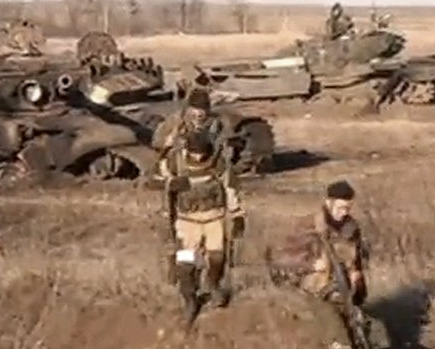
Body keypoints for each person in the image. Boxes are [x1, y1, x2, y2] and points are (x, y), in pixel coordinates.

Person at [265, 180, 384, 348]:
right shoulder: (308, 226)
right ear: (329, 202)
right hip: (313, 293)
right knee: (338, 335)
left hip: (343, 292)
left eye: (348, 208)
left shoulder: (351, 228)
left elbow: (357, 260)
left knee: (373, 332)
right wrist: (311, 265)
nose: (344, 213)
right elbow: (281, 260)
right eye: (341, 208)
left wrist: (356, 277)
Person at [160, 130, 245, 326]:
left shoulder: (218, 164)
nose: (198, 157)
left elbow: (230, 189)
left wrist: (237, 214)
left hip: (214, 218)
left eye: (202, 153)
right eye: (194, 153)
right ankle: (190, 300)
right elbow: (157, 176)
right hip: (187, 221)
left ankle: (213, 285)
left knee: (217, 257)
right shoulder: (176, 162)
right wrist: (171, 182)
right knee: (185, 263)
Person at [151, 87, 224, 154]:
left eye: (203, 109)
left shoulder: (214, 122)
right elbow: (156, 141)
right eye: (196, 108)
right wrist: (166, 142)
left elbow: (219, 144)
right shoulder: (176, 119)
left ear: (208, 109)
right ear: (189, 108)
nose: (199, 113)